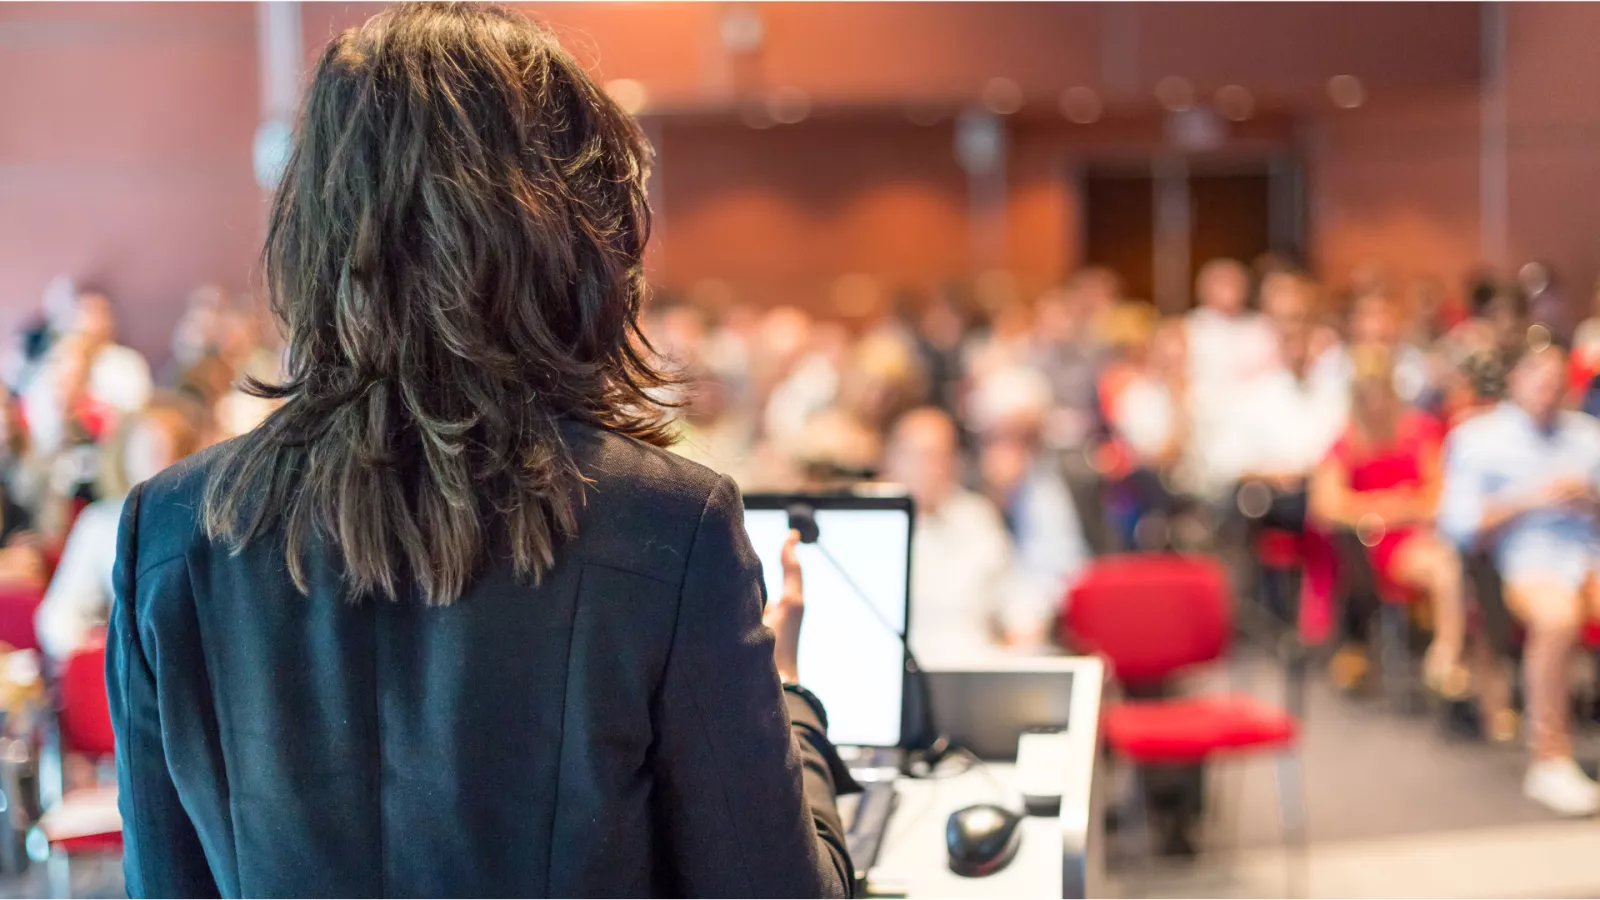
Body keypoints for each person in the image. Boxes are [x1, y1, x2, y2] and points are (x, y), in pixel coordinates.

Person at [108, 6, 853, 896]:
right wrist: (790, 700)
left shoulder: (170, 532)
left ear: (314, 227)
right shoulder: (667, 527)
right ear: (578, 230)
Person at [1439, 342, 1600, 816]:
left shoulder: (1588, 436)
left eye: (1556, 383)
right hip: (1523, 559)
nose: (1548, 392)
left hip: (1588, 551)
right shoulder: (1477, 437)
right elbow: (1458, 524)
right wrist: (1532, 499)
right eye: (1538, 380)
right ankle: (1550, 757)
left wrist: (1588, 498)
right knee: (1558, 618)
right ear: (1515, 381)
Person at [1309, 346, 1465, 692]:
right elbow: (1328, 505)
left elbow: (1437, 496)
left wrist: (1379, 506)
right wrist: (1391, 506)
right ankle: (1442, 657)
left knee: (1451, 564)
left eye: (1380, 395)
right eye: (1366, 398)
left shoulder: (1419, 432)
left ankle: (1447, 654)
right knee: (1444, 569)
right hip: (1376, 545)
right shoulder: (1346, 443)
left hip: (1421, 534)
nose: (1375, 406)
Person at [36, 396, 204, 661]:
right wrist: (98, 645)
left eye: (173, 448)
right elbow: (55, 620)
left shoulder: (206, 523)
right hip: (124, 670)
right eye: (150, 449)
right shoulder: (100, 524)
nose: (163, 461)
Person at [882, 407, 1023, 663]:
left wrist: (1024, 629)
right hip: (899, 670)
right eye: (920, 456)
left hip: (979, 666)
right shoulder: (870, 522)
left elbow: (1013, 600)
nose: (931, 468)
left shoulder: (977, 517)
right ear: (891, 459)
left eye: (941, 456)